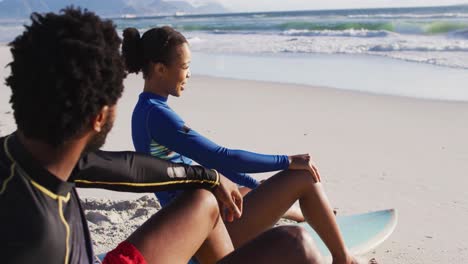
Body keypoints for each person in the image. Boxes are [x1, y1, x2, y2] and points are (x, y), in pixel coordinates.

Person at [0, 8, 325, 264]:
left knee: (202, 199)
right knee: (296, 245)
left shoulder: (36, 154)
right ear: (99, 117)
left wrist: (209, 177)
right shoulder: (38, 236)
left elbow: (128, 168)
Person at [124, 26, 361, 264]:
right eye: (185, 67)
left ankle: (296, 212)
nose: (188, 75)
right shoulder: (158, 116)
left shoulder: (145, 110)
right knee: (302, 177)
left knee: (255, 186)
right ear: (160, 69)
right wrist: (287, 160)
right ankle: (344, 259)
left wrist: (257, 186)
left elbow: (215, 165)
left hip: (201, 221)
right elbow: (222, 157)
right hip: (204, 236)